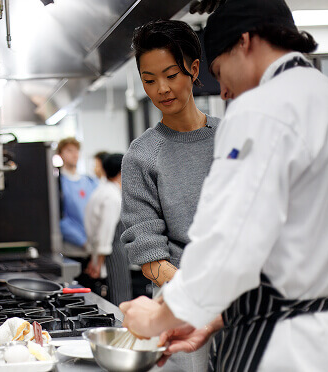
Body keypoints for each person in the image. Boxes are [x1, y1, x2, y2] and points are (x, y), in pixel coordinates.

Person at [119, 1, 328, 371]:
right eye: (149, 80)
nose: (225, 92)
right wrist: (215, 319)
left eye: (219, 70)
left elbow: (228, 242)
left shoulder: (260, 109)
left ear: (244, 42)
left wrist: (159, 318)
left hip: (279, 343)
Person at [120, 19, 221, 371]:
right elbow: (150, 255)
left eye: (171, 74)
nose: (161, 88)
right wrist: (197, 296)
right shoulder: (142, 155)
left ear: (194, 69)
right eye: (149, 80)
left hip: (240, 295)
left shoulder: (232, 138)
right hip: (177, 301)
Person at [84, 154, 132, 305]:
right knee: (119, 299)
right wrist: (98, 263)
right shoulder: (112, 196)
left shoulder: (101, 191)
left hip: (104, 252)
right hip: (113, 254)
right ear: (120, 172)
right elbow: (105, 233)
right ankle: (122, 328)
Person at [56, 137, 99, 286]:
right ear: (60, 154)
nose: (74, 154)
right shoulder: (58, 183)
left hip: (93, 251)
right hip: (72, 251)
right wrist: (82, 241)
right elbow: (59, 218)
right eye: (69, 150)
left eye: (76, 151)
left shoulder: (90, 182)